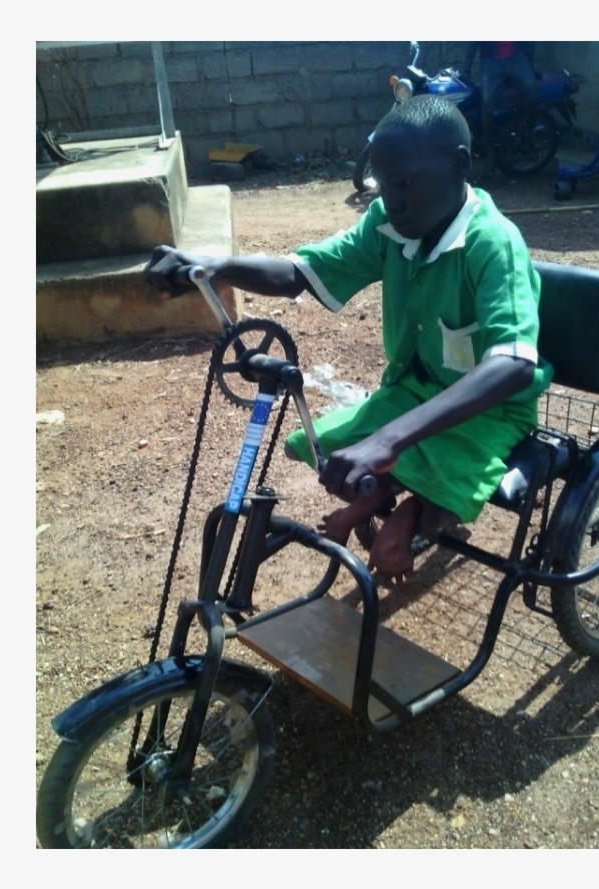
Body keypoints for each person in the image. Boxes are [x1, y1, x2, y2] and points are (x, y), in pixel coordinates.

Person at [144, 94, 552, 585]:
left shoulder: (494, 245)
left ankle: (411, 516)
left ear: (459, 165)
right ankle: (389, 504)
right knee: (330, 450)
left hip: (489, 409)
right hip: (412, 391)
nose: (391, 199)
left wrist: (388, 438)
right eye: (383, 184)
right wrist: (218, 266)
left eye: (405, 184)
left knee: (433, 459)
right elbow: (303, 271)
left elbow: (512, 366)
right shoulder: (389, 224)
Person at [463, 42, 537, 175]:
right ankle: (490, 151)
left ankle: (529, 134)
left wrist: (531, 65)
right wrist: (466, 69)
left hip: (516, 58)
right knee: (486, 102)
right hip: (491, 61)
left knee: (532, 90)